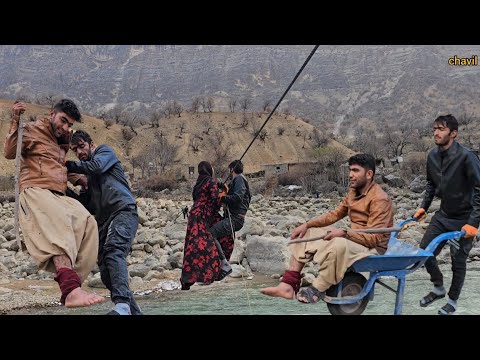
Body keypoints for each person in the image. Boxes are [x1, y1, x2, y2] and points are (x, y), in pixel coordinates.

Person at [3, 99, 104, 308]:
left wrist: (80, 179)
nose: (66, 127)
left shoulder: (63, 142)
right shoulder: (31, 130)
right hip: (35, 189)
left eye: (69, 124)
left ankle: (72, 284)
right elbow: (10, 152)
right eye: (63, 121)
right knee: (60, 228)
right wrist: (15, 119)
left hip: (58, 193)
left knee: (88, 223)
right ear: (52, 114)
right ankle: (70, 289)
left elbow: (60, 166)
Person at [261, 153, 394, 303]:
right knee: (305, 233)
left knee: (338, 244)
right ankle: (288, 285)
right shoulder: (353, 192)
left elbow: (373, 239)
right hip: (356, 240)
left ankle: (317, 289)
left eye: (356, 171)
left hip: (373, 248)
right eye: (350, 170)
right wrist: (307, 224)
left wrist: (344, 233)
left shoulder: (380, 199)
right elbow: (335, 214)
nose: (350, 174)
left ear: (369, 174)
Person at [66, 130, 141, 315]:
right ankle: (131, 311)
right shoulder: (88, 180)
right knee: (107, 272)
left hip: (123, 211)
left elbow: (96, 166)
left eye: (82, 146)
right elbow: (86, 206)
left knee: (114, 251)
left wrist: (68, 165)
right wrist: (66, 189)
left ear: (91, 144)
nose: (79, 152)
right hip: (104, 220)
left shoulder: (104, 152)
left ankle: (122, 306)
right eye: (75, 150)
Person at [414, 114, 480, 315]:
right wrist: (424, 207)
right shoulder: (432, 156)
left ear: (453, 133)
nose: (436, 132)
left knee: (457, 261)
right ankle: (438, 287)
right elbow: (430, 184)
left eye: (441, 129)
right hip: (443, 215)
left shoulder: (467, 156)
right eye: (435, 128)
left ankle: (452, 301)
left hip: (464, 218)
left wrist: (473, 223)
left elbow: (479, 189)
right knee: (424, 253)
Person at [180, 161, 234, 290]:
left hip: (195, 215)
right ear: (209, 170)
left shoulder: (198, 184)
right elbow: (216, 200)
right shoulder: (211, 181)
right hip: (203, 216)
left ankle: (190, 278)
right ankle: (221, 265)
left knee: (194, 246)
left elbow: (198, 199)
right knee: (212, 241)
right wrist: (222, 191)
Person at [209, 159, 251, 276]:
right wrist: (226, 189)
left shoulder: (239, 179)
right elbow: (234, 194)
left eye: (230, 170)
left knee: (211, 234)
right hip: (234, 217)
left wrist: (221, 198)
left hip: (235, 219)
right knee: (224, 240)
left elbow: (237, 197)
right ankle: (218, 266)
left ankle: (224, 264)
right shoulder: (239, 180)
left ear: (231, 169)